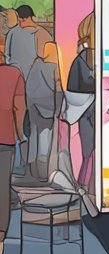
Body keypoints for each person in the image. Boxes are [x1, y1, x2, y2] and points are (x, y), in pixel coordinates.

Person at [63, 13, 98, 188]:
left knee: (88, 150)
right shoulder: (101, 56)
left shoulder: (81, 58)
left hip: (83, 108)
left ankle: (84, 183)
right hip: (95, 106)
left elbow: (73, 85)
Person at [24, 42, 61, 181]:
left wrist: (30, 104)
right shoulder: (56, 69)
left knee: (34, 138)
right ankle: (45, 171)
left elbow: (29, 88)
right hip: (50, 109)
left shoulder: (36, 66)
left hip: (34, 108)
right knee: (47, 139)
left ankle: (34, 170)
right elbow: (57, 90)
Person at [0, 56, 24, 254]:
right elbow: (19, 108)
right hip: (4, 139)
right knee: (2, 189)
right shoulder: (14, 74)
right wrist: (20, 135)